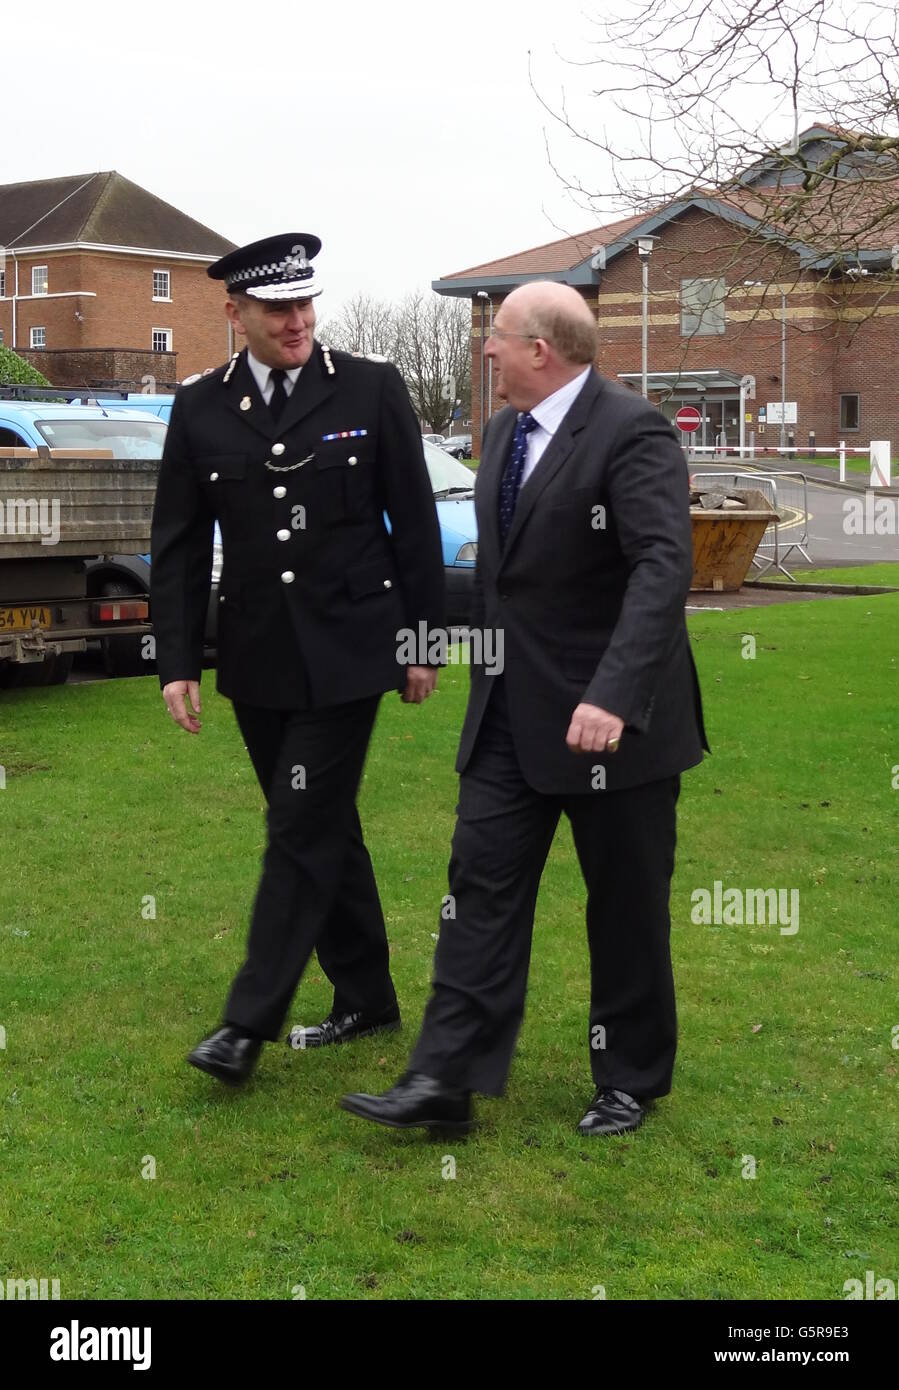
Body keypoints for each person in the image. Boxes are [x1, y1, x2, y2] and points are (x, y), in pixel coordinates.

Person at [342, 280, 708, 1137]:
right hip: (507, 713)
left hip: (611, 724)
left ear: (540, 348)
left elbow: (662, 569)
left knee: (622, 904)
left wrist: (613, 694)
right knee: (478, 890)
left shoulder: (633, 431)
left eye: (497, 339)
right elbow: (503, 583)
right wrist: (421, 638)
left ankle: (629, 1078)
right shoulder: (503, 430)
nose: (486, 352)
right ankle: (445, 1081)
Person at [150, 233, 444, 1085]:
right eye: (279, 309)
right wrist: (177, 661)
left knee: (299, 822)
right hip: (257, 656)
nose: (298, 322)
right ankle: (368, 996)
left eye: (306, 304)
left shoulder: (369, 386)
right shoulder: (201, 407)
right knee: (322, 826)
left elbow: (414, 522)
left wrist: (421, 641)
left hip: (352, 649)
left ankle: (246, 1024)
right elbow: (176, 544)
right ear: (235, 312)